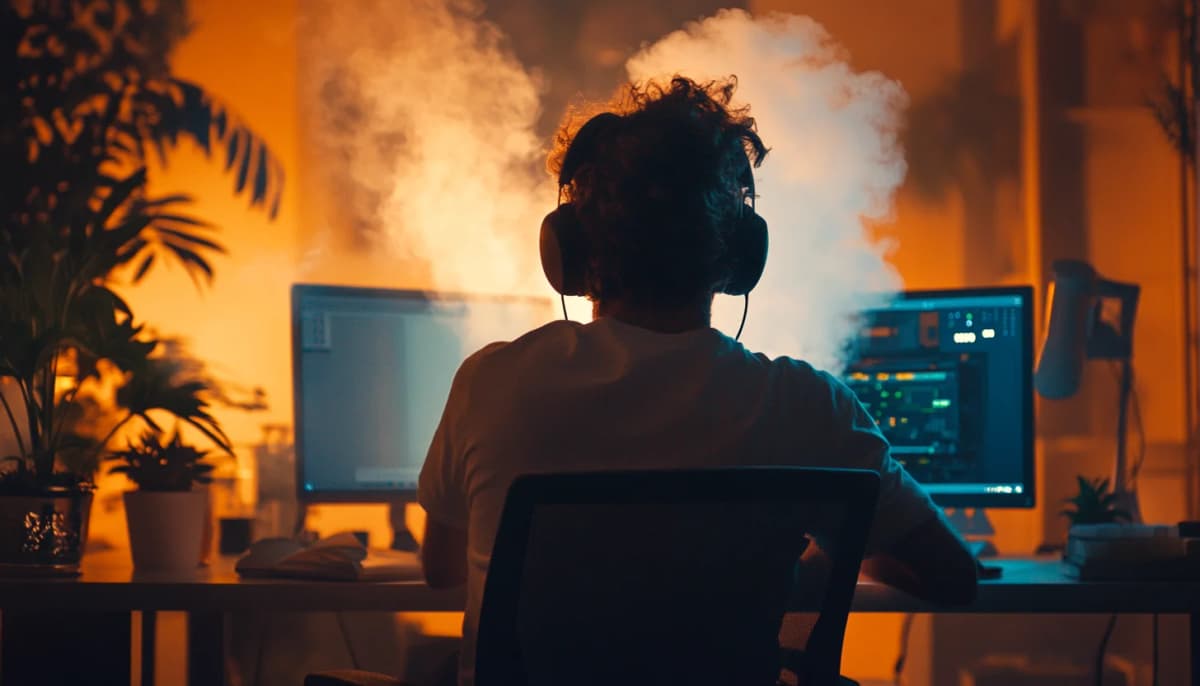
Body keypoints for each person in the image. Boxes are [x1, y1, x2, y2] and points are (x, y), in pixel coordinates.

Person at [417, 76, 977, 686]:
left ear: (571, 249)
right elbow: (951, 573)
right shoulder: (809, 407)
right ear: (738, 254)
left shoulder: (492, 382)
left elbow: (442, 568)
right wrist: (811, 559)